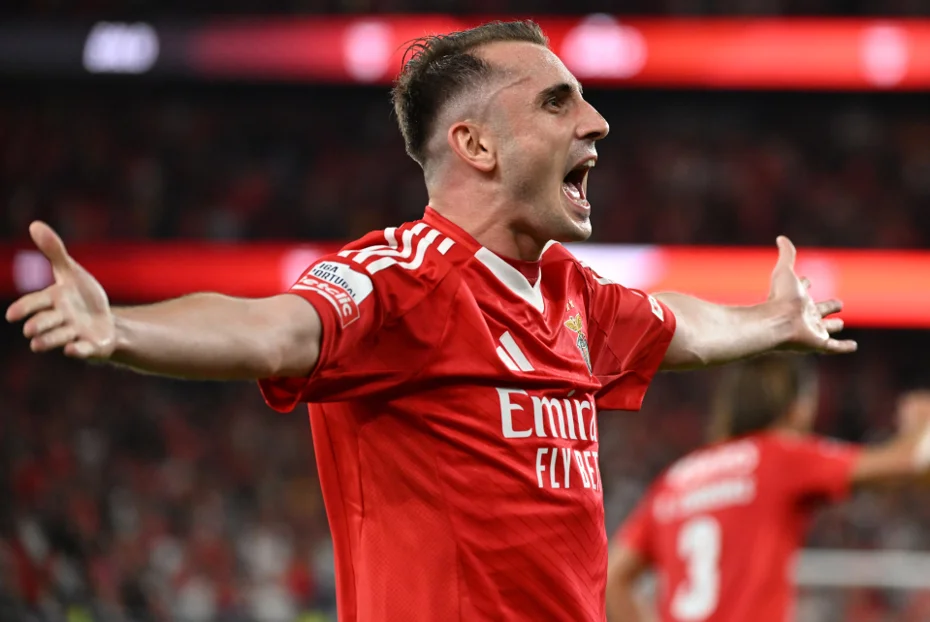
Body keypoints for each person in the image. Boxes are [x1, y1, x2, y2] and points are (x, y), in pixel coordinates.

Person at [6, 20, 855, 622]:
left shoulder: (572, 292)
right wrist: (124, 331)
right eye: (557, 103)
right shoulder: (401, 278)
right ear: (476, 146)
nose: (596, 122)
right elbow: (274, 330)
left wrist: (771, 320)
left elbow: (684, 330)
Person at [606, 355, 930, 622]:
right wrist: (921, 423)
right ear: (798, 406)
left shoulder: (677, 478)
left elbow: (612, 579)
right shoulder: (775, 457)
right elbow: (908, 461)